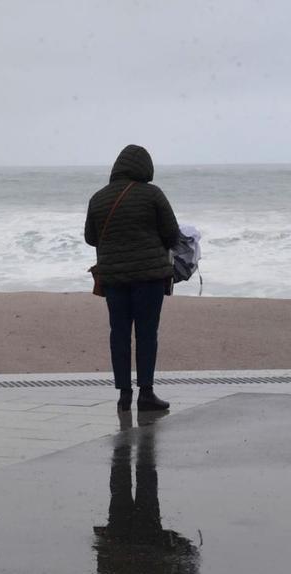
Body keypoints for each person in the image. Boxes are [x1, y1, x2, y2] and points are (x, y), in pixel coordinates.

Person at [84, 145, 180, 411]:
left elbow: (90, 237)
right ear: (145, 168)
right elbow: (172, 234)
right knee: (147, 333)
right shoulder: (152, 195)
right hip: (149, 278)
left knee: (120, 333)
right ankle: (146, 393)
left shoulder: (99, 198)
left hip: (114, 277)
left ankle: (124, 395)